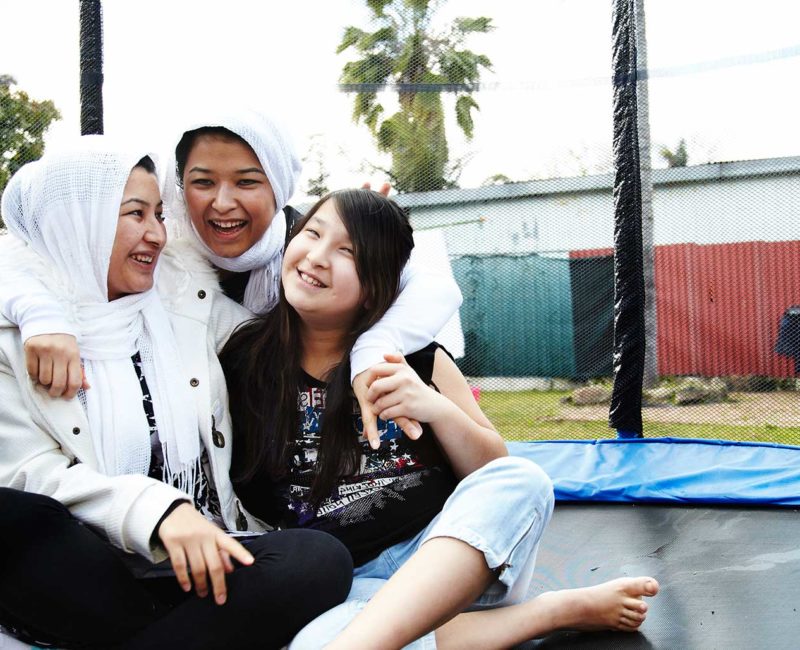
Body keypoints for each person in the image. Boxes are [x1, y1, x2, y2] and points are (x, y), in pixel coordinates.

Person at [220, 189, 660, 650]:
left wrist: (435, 408)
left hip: (452, 562)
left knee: (522, 479)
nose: (318, 257)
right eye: (312, 233)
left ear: (380, 285)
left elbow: (493, 468)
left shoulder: (418, 358)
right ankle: (547, 613)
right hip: (341, 585)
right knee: (320, 642)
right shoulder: (246, 359)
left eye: (347, 251)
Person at [0, 138, 353, 650]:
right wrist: (157, 512)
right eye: (134, 214)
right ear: (77, 222)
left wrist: (348, 254)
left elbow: (289, 332)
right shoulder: (18, 337)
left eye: (159, 214)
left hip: (199, 562)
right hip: (87, 568)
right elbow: (31, 475)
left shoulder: (187, 298)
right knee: (11, 517)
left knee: (319, 560)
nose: (156, 235)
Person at [5, 107, 462, 448]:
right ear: (181, 186)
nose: (222, 203)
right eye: (202, 182)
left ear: (278, 186)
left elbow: (432, 286)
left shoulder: (304, 250)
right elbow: (28, 250)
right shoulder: (166, 250)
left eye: (246, 182)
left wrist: (368, 351)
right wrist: (42, 313)